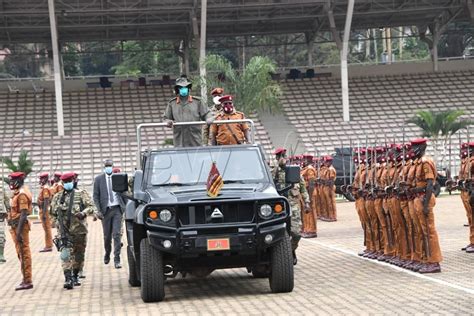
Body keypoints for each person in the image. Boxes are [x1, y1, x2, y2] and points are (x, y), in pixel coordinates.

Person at [50, 172, 97, 289]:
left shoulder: (81, 194)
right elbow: (52, 214)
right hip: (64, 232)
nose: (67, 184)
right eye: (65, 182)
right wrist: (56, 223)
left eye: (69, 182)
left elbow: (91, 206)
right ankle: (68, 278)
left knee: (79, 255)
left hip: (79, 230)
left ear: (73, 181)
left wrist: (83, 213)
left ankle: (75, 275)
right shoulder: (57, 197)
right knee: (65, 255)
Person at [272, 148, 311, 265]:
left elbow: (303, 187)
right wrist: (278, 167)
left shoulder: (294, 170)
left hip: (293, 205)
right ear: (277, 158)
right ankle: (283, 255)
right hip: (278, 207)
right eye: (280, 156)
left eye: (284, 155)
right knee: (280, 233)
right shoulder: (273, 170)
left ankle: (290, 250)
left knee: (296, 233)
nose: (283, 158)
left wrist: (307, 202)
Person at [410, 138, 442, 273]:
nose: (412, 150)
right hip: (419, 197)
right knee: (422, 231)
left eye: (415, 147)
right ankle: (426, 259)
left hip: (425, 198)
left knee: (429, 231)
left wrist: (425, 203)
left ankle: (434, 262)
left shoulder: (426, 163)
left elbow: (430, 184)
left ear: (422, 147)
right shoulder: (418, 163)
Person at [163, 76, 213, 147]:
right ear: (177, 89)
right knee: (181, 156)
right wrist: (168, 122)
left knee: (196, 155)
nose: (184, 89)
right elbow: (166, 118)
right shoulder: (172, 103)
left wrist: (209, 118)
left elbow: (207, 113)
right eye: (181, 88)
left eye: (186, 87)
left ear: (189, 88)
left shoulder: (197, 102)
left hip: (195, 137)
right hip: (179, 138)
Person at [93, 159, 125, 269]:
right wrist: (99, 210)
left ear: (112, 166)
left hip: (117, 209)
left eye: (110, 166)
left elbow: (124, 192)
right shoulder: (98, 179)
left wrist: (124, 206)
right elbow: (95, 196)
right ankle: (107, 253)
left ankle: (117, 259)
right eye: (106, 166)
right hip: (105, 211)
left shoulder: (118, 177)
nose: (108, 167)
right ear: (104, 167)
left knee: (116, 234)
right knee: (107, 237)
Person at [7, 171, 33, 290]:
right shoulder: (19, 192)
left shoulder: (22, 194)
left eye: (13, 181)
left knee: (23, 253)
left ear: (19, 181)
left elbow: (23, 214)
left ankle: (27, 280)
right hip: (16, 226)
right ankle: (25, 278)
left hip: (20, 227)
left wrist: (18, 232)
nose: (11, 183)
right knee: (21, 253)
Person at [300, 154, 317, 238]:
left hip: (309, 192)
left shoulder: (310, 169)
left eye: (305, 159)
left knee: (309, 211)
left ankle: (311, 230)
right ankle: (306, 229)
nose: (303, 161)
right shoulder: (305, 169)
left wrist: (309, 197)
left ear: (309, 160)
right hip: (305, 193)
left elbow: (311, 183)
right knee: (305, 212)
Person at [38, 172, 53, 252]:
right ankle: (48, 244)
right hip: (43, 210)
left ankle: (48, 246)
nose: (41, 180)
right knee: (46, 228)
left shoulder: (45, 188)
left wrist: (44, 213)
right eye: (40, 178)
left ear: (46, 179)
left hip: (45, 211)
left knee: (47, 228)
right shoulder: (44, 187)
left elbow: (46, 201)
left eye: (42, 178)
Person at [321, 155, 337, 221]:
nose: (325, 163)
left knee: (330, 202)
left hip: (329, 187)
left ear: (330, 162)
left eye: (326, 162)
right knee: (326, 202)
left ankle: (332, 216)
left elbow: (331, 180)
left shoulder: (331, 169)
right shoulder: (327, 169)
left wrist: (330, 190)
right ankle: (328, 215)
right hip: (326, 186)